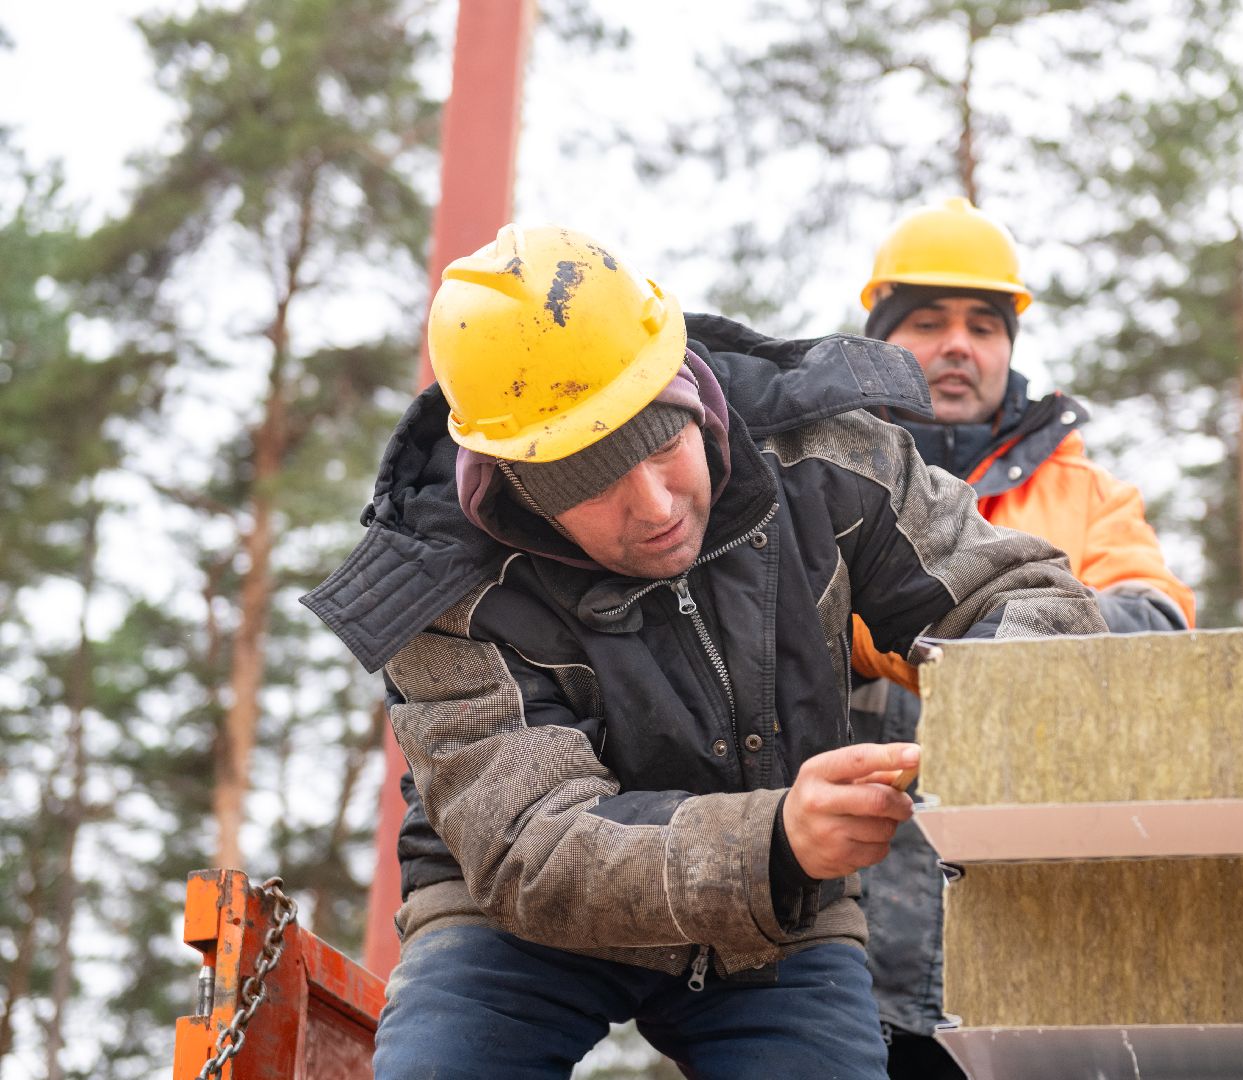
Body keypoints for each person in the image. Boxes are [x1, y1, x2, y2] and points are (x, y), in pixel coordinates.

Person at [301, 223, 1107, 1079]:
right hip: (518, 923)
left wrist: (975, 736)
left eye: (661, 445)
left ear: (686, 382)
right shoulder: (435, 585)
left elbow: (1024, 596)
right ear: (516, 482)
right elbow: (531, 845)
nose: (654, 506)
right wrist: (773, 838)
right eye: (593, 482)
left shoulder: (824, 451)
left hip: (784, 915)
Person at [848, 197, 1196, 1079]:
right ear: (880, 338)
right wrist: (1021, 642)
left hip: (1046, 951)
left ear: (1010, 345)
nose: (959, 344)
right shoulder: (822, 481)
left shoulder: (1090, 495)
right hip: (844, 957)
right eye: (927, 322)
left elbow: (1154, 628)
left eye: (983, 325)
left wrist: (957, 645)